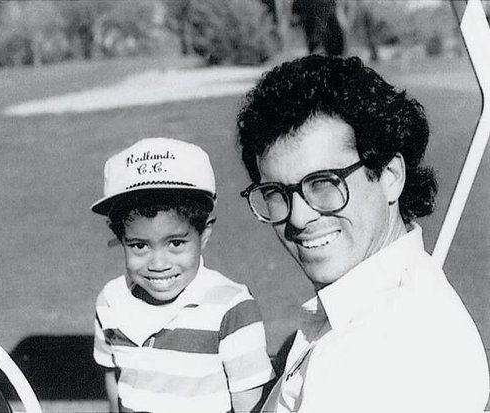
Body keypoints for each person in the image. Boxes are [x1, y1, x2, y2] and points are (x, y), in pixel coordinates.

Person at [236, 55, 489, 412]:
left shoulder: (374, 357)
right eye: (276, 193)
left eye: (324, 183)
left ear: (390, 176)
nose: (299, 216)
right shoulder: (391, 296)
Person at [91, 137, 275, 413]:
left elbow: (251, 403)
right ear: (120, 238)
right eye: (139, 245)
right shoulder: (111, 301)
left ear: (204, 234)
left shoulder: (232, 308)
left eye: (176, 243)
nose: (159, 263)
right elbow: (113, 380)